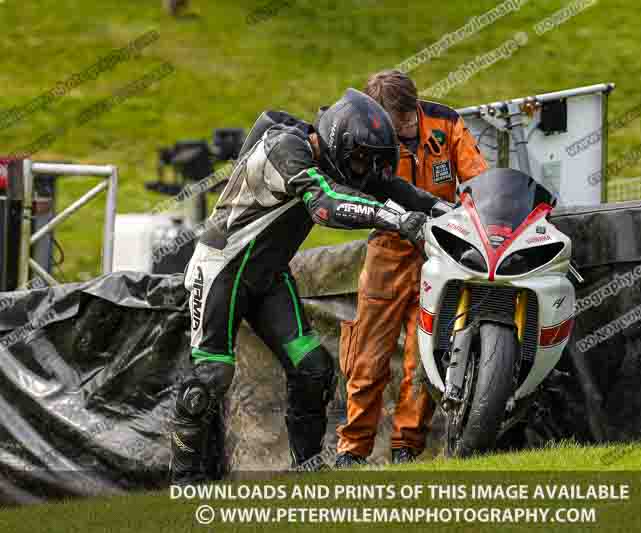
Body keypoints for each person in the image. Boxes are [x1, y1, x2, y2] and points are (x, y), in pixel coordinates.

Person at [169, 88, 449, 484]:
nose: (362, 170)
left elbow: (390, 188)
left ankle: (306, 471)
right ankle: (184, 483)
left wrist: (444, 209)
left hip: (268, 275)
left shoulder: (327, 158)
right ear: (339, 139)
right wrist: (394, 220)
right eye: (359, 159)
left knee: (313, 369)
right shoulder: (286, 148)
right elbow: (326, 203)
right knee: (210, 379)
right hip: (221, 269)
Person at [335, 69, 488, 468]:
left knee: (423, 358)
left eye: (403, 119)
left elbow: (478, 180)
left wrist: (470, 212)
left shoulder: (446, 123)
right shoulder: (365, 135)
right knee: (366, 356)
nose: (397, 128)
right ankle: (352, 451)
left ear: (415, 107)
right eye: (388, 122)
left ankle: (408, 448)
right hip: (387, 249)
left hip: (439, 251)